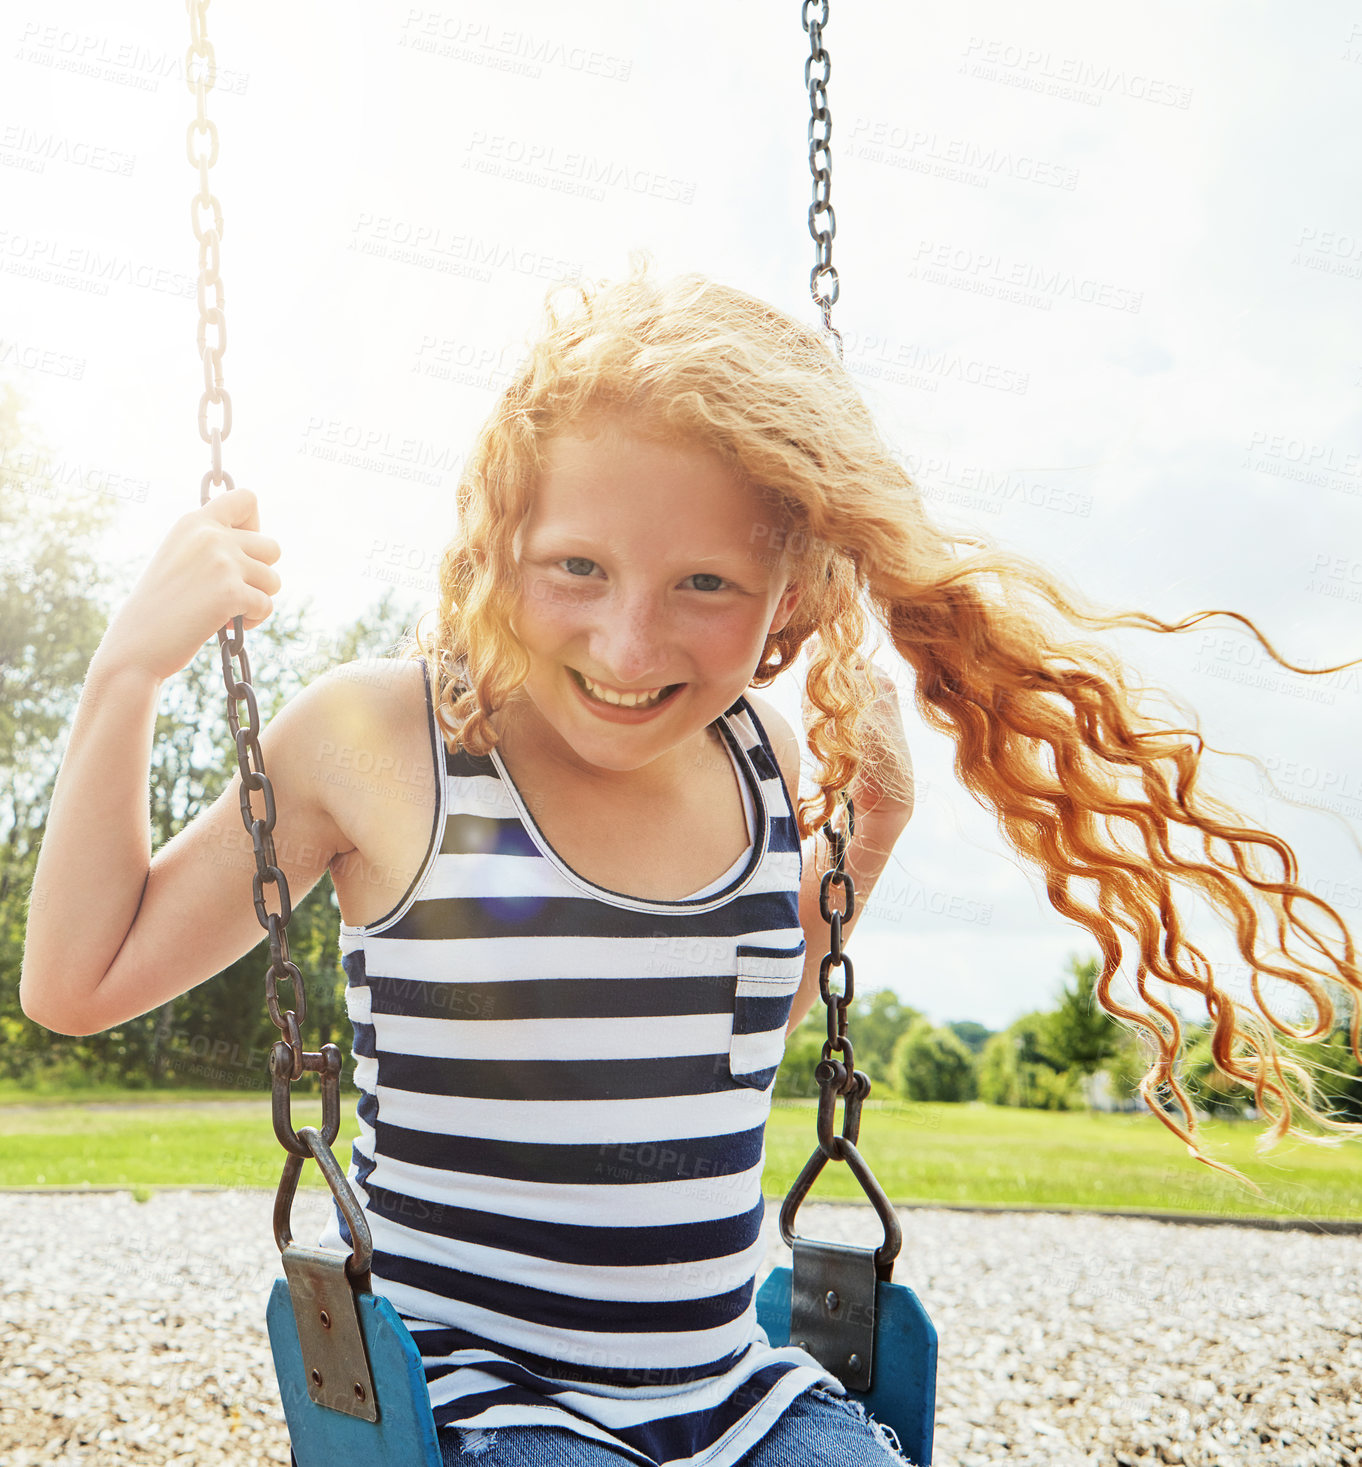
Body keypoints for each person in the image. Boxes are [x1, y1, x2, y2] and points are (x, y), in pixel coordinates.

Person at [19, 261, 1361, 1467]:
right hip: (483, 1399)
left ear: (797, 594)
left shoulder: (763, 754)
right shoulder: (382, 740)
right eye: (577, 568)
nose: (626, 643)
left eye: (704, 586)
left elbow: (713, 1057)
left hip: (732, 1392)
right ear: (495, 550)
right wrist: (130, 671)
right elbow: (81, 984)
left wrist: (865, 840)